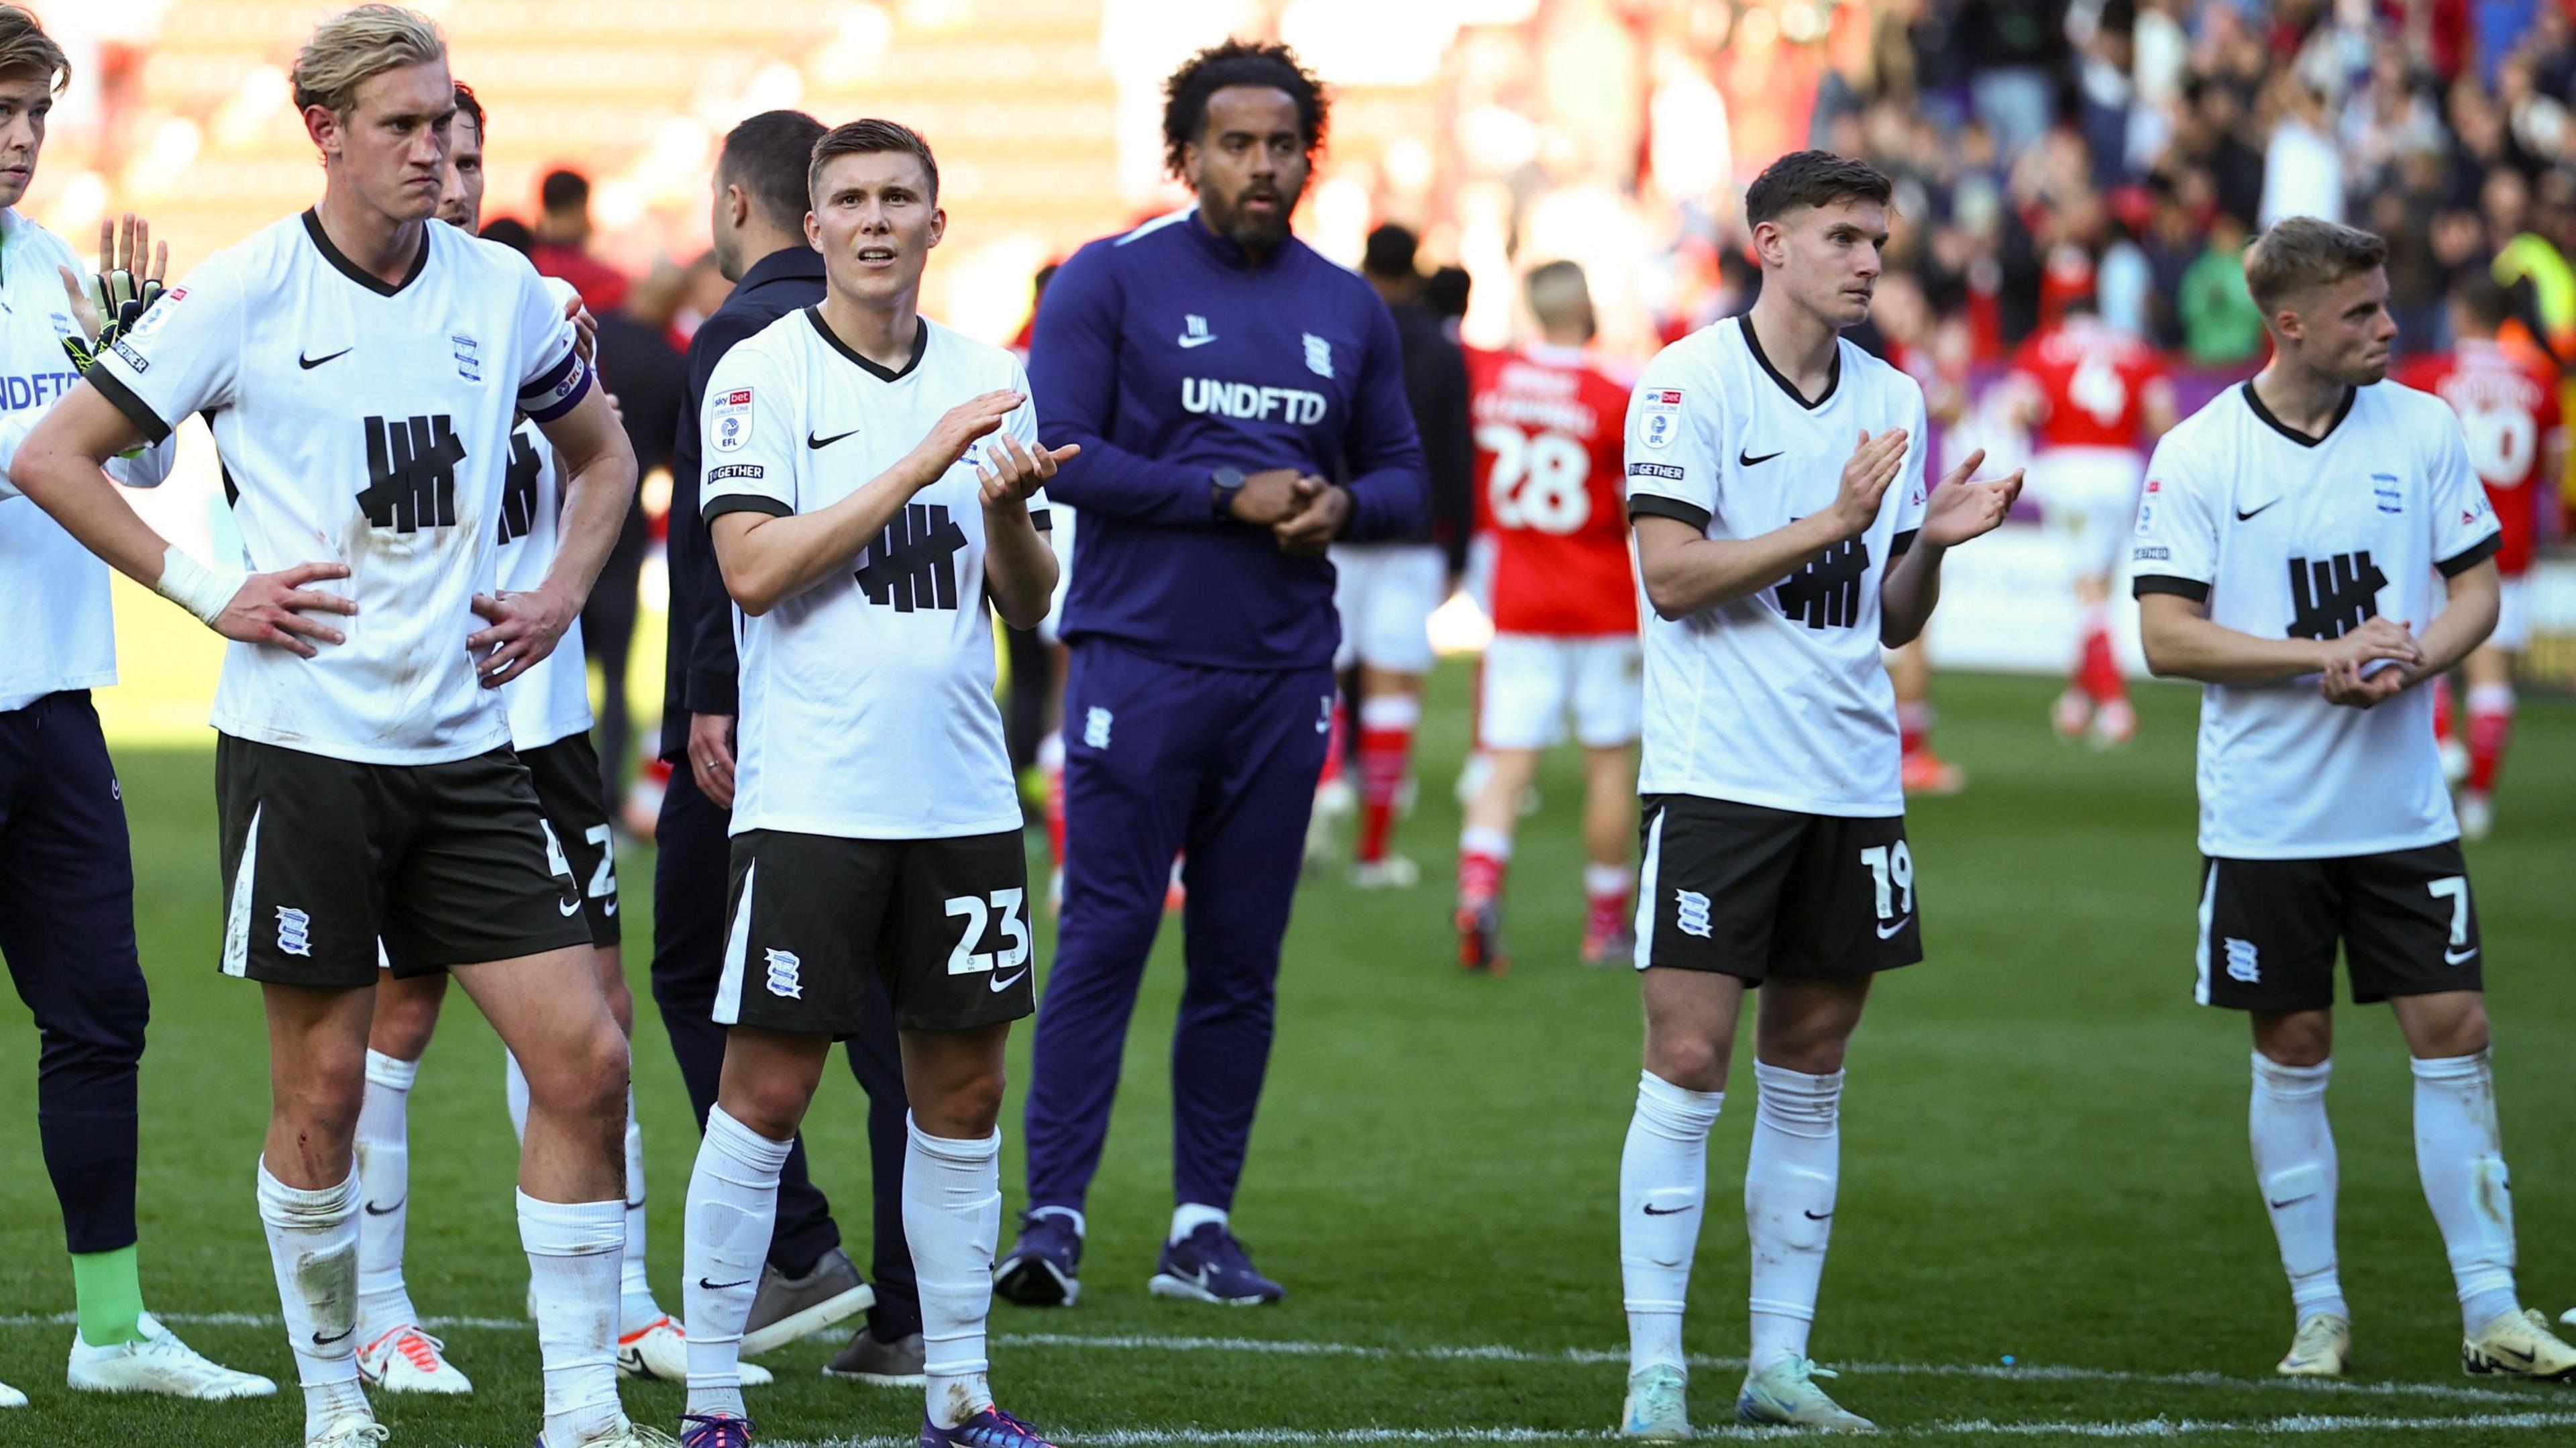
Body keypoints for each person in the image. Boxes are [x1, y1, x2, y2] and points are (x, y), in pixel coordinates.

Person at [11, 8, 648, 1447]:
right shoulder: (241, 294)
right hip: (305, 760)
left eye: (444, 123)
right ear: (328, 135)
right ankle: (331, 1388)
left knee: (588, 1059)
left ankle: (585, 1410)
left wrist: (556, 593)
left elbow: (603, 452)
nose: (435, 149)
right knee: (321, 1089)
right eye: (404, 127)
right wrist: (210, 588)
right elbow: (55, 455)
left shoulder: (503, 289)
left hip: (469, 758)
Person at [998, 38, 1427, 1308]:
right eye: (1235, 142)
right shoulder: (1107, 280)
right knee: (1107, 939)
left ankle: (1201, 1225)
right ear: (1184, 154)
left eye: (1282, 143)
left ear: (1309, 155)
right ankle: (1053, 1219)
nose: (1261, 163)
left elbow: (1407, 479)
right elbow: (1063, 450)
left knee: (1241, 959)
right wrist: (1224, 494)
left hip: (1284, 674)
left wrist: (1338, 503)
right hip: (1138, 658)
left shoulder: (1347, 306)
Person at [1615, 150, 2021, 1438]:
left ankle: (1777, 1364)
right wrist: (1837, 521)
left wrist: (1932, 547)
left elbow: (1887, 617)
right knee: (1686, 1062)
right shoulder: (1684, 384)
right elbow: (1673, 575)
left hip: (1850, 778)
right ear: (1769, 241)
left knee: (1811, 1067)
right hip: (1718, 774)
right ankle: (1656, 1374)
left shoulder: (1893, 393)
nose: (1866, 260)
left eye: (1879, 242)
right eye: (1843, 236)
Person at [674, 118, 1066, 1448]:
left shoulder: (995, 375)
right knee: (767, 1087)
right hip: (813, 803)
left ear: (936, 224)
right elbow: (751, 568)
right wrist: (917, 461)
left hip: (959, 799)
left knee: (961, 1092)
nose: (878, 219)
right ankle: (714, 1394)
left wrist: (1007, 511)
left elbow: (1030, 600)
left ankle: (957, 1388)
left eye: (903, 196)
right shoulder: (758, 371)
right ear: (817, 224)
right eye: (852, 198)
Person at [2133, 216, 2576, 1384]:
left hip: (2403, 811)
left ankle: (2494, 1309)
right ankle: (2319, 1312)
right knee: (2296, 1044)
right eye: (2363, 313)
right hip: (2267, 816)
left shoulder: (2424, 427)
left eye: (2388, 305)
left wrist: (2418, 660)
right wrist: (2315, 657)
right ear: (2289, 326)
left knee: (2458, 1034)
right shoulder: (2200, 453)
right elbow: (2166, 637)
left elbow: (2475, 591)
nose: (2390, 328)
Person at [343, 78, 730, 1398]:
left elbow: (600, 469)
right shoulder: (348, 310)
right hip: (397, 722)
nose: (450, 176)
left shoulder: (527, 308)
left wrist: (559, 589)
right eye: (428, 152)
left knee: (592, 1013)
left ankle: (620, 1299)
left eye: (468, 156)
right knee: (395, 1007)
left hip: (542, 718)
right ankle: (375, 1311)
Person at [0, 4, 274, 1410]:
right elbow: (44, 459)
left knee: (102, 1007)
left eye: (35, 115)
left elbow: (145, 455)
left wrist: (133, 370)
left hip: (50, 703)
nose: (20, 139)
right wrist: (73, 421)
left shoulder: (54, 267)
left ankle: (109, 1327)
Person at [653, 106, 920, 1383]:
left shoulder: (747, 336)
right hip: (894, 736)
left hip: (773, 729)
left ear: (744, 203)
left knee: (701, 969)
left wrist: (710, 696)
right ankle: (911, 1308)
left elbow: (730, 549)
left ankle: (799, 1247)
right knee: (898, 1023)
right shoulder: (897, 344)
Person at [1454, 260, 1639, 974]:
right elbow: (1637, 500)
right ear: (1585, 306)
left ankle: (1477, 893)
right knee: (1608, 768)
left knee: (1506, 766)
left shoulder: (1494, 386)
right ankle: (1603, 927)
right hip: (1600, 600)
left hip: (1522, 597)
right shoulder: (1611, 395)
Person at [1326, 223, 1473, 889]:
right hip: (1409, 531)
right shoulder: (1442, 352)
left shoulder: (1337, 333)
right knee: (1391, 690)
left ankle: (1326, 779)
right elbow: (1455, 456)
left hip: (1335, 522)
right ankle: (1375, 849)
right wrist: (1459, 546)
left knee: (1321, 675)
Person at [2393, 273, 2564, 841]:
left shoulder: (2428, 375)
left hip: (2437, 537)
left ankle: (2443, 746)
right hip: (2508, 540)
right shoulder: (2540, 379)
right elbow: (2556, 466)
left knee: (2427, 649)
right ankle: (2479, 804)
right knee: (2492, 672)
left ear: (2462, 314)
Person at [2004, 291, 2177, 746]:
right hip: (2122, 470)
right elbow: (2162, 419)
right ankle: (2078, 700)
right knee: (2100, 587)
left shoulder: (2043, 346)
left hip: (2069, 468)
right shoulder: (2137, 348)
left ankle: (2116, 704)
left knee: (2087, 593)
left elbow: (2016, 410)